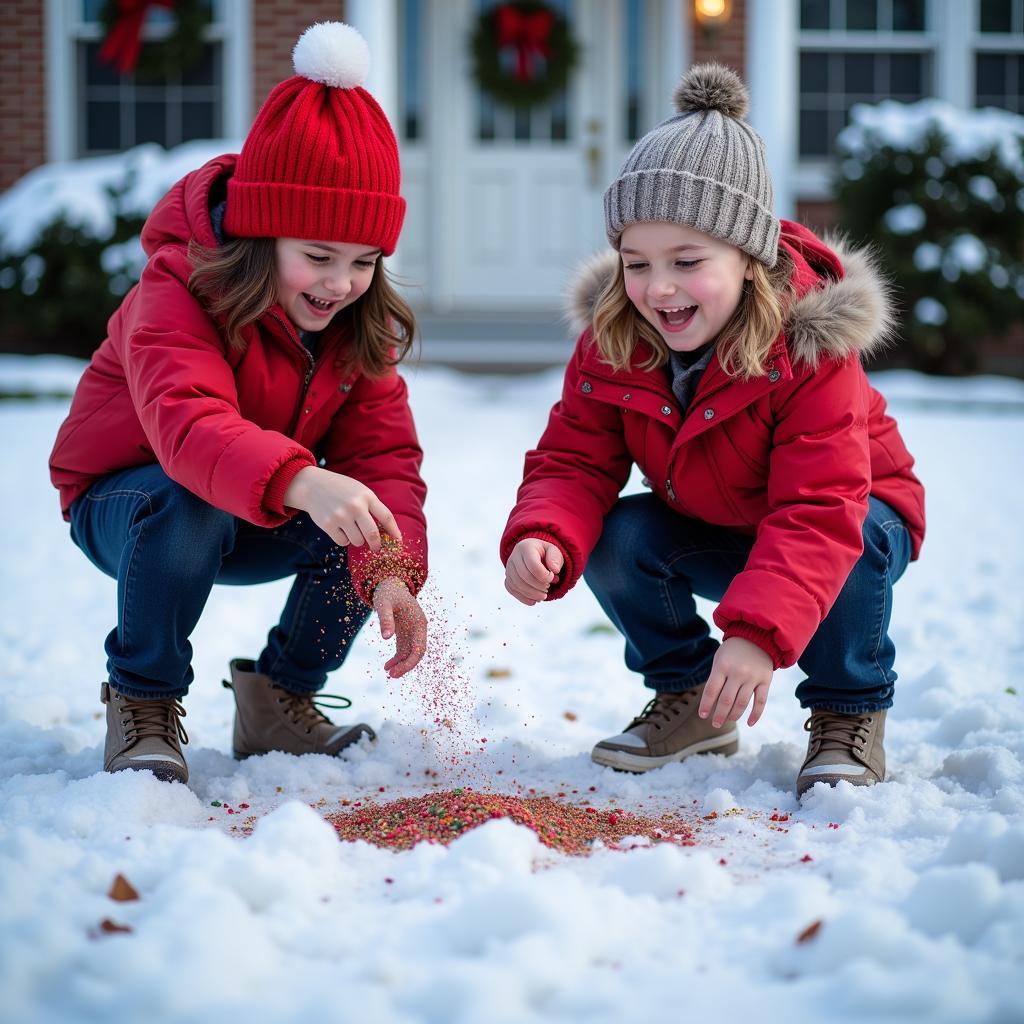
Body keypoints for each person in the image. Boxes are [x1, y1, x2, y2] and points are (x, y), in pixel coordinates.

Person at [500, 63, 925, 799]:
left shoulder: (809, 351)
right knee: (614, 533)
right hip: (719, 518)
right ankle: (691, 699)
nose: (658, 288)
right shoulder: (616, 339)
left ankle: (847, 707)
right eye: (638, 264)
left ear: (750, 260)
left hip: (849, 521)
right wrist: (545, 531)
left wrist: (758, 632)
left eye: (687, 262)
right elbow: (573, 459)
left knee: (854, 535)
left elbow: (819, 507)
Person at [49, 23, 428, 786]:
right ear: (258, 233)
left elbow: (384, 458)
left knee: (360, 520)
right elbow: (188, 424)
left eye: (363, 261)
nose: (340, 283)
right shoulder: (177, 289)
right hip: (130, 501)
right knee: (188, 500)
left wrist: (389, 567)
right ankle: (144, 700)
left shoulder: (355, 326)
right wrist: (304, 481)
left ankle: (280, 700)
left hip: (253, 500)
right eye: (317, 256)